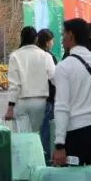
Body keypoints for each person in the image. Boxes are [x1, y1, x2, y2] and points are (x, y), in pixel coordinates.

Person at [52, 18, 91, 169]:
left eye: (63, 34)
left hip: (75, 133)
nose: (62, 38)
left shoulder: (64, 67)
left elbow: (62, 107)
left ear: (71, 35)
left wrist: (59, 144)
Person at [5, 26, 57, 135]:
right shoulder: (46, 56)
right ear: (36, 39)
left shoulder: (15, 56)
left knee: (23, 135)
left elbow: (14, 85)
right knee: (38, 135)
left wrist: (10, 107)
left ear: (21, 38)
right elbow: (54, 78)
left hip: (21, 102)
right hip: (40, 101)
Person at [37, 28, 58, 158]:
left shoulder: (33, 55)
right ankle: (46, 158)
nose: (53, 43)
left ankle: (40, 156)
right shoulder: (48, 56)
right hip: (48, 98)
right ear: (47, 42)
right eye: (52, 40)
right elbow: (54, 78)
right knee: (46, 132)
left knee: (39, 131)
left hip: (34, 97)